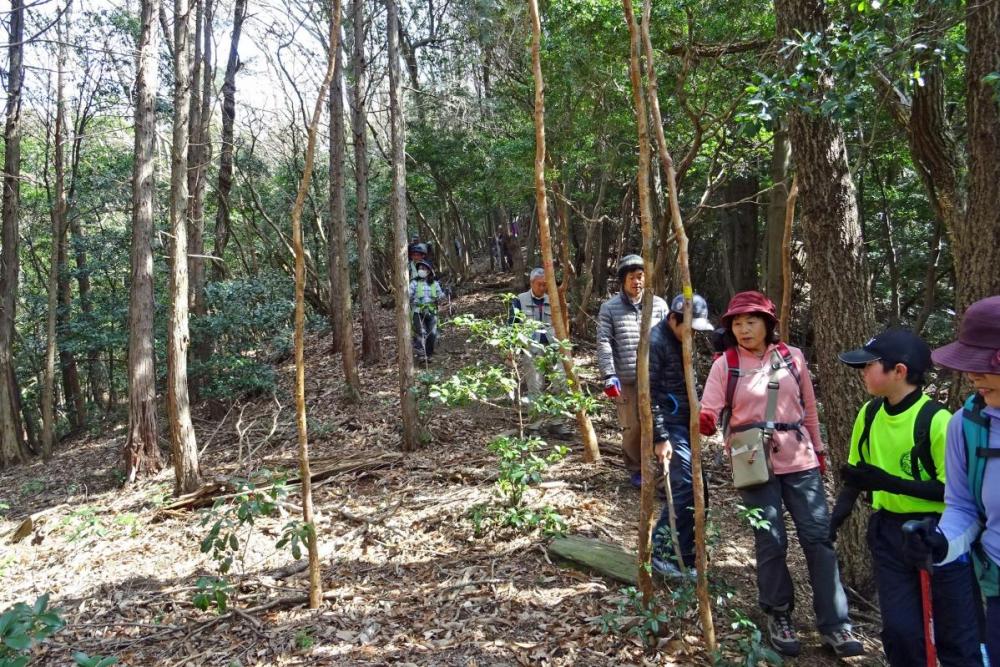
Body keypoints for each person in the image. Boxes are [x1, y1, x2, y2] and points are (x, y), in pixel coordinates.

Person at [699, 290, 863, 658]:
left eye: (751, 321)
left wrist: (819, 452)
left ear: (768, 324)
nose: (743, 329)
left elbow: (809, 410)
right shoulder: (725, 364)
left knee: (818, 539)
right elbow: (709, 408)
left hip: (800, 457)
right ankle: (779, 614)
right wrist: (706, 420)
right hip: (752, 460)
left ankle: (836, 624)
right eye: (737, 323)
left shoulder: (793, 358)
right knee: (770, 540)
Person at [830, 329, 981, 666]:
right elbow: (857, 475)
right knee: (900, 631)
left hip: (938, 535)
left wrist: (887, 481)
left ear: (899, 371)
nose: (863, 372)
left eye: (870, 366)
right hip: (888, 534)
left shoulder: (937, 421)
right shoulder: (869, 414)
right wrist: (833, 522)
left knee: (955, 634)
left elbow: (952, 491)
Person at [902, 295, 1000, 666]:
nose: (972, 375)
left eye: (982, 365)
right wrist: (940, 543)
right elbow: (963, 507)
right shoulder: (966, 426)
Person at [649, 293, 715, 577]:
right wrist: (660, 436)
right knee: (684, 486)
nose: (692, 334)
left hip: (686, 422)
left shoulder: (681, 339)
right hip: (669, 424)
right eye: (688, 326)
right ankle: (663, 554)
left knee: (699, 489)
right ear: (673, 319)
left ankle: (686, 555)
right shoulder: (655, 342)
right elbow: (648, 396)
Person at [596, 254, 669, 487]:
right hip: (626, 378)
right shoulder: (609, 308)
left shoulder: (658, 305)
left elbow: (670, 338)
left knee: (660, 423)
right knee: (632, 427)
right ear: (622, 281)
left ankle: (661, 468)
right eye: (631, 277)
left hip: (656, 377)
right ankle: (636, 469)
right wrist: (609, 374)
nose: (636, 282)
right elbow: (604, 341)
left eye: (640, 276)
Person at [509, 268, 563, 395]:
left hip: (552, 346)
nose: (542, 287)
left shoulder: (552, 299)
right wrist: (511, 348)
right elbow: (512, 325)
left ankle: (560, 411)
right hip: (531, 348)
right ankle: (536, 412)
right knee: (535, 385)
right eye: (539, 284)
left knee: (560, 380)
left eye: (545, 284)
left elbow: (560, 324)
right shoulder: (519, 300)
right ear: (531, 283)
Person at [408, 259, 444, 360]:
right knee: (421, 332)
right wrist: (409, 297)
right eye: (419, 268)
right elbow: (408, 294)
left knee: (432, 334)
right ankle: (421, 355)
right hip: (418, 311)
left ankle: (429, 354)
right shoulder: (414, 282)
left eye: (423, 268)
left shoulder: (435, 283)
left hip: (431, 311)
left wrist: (446, 293)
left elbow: (440, 295)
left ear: (428, 271)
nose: (421, 270)